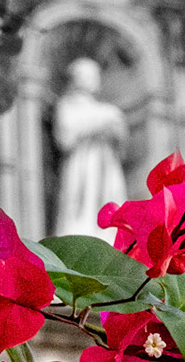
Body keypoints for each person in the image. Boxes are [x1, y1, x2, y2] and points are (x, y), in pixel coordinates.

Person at [51, 57, 130, 233]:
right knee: (81, 206)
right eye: (88, 75)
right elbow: (65, 137)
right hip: (81, 165)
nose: (93, 80)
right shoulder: (66, 105)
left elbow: (122, 144)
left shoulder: (107, 110)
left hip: (106, 166)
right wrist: (101, 121)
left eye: (95, 75)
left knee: (108, 201)